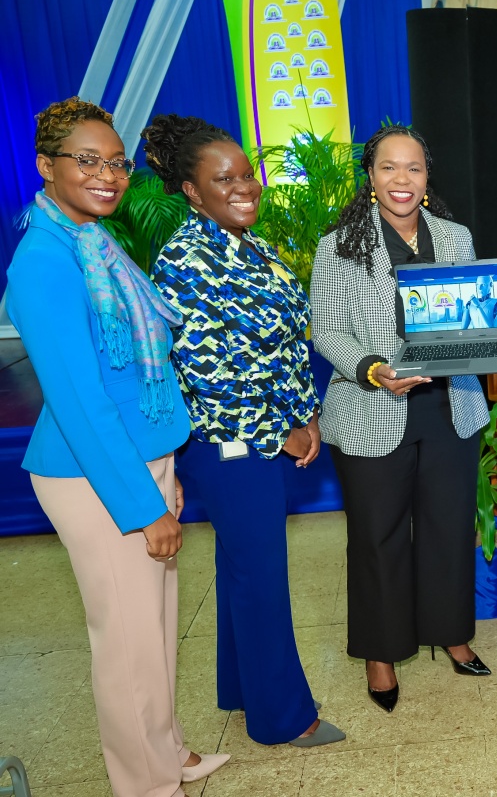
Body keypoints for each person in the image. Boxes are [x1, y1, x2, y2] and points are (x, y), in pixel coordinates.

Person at [5, 97, 228, 796]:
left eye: (117, 162)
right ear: (46, 167)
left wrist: (164, 467)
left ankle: (167, 753)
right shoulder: (44, 263)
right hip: (94, 476)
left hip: (137, 458)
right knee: (127, 643)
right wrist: (142, 504)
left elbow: (138, 371)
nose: (108, 175)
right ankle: (145, 785)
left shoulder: (94, 243)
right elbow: (80, 402)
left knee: (154, 629)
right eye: (87, 161)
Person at [145, 114, 343, 748]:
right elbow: (207, 374)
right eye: (224, 180)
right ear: (191, 191)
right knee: (262, 576)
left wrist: (307, 415)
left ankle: (241, 688)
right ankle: (284, 718)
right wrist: (279, 433)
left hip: (269, 432)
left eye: (247, 175)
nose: (244, 187)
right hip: (230, 444)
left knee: (242, 567)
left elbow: (285, 344)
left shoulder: (249, 243)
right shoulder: (185, 260)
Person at [309, 125, 491, 714]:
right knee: (377, 537)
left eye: (413, 168)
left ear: (427, 176)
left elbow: (475, 315)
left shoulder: (456, 237)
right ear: (370, 176)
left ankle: (452, 633)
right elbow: (327, 330)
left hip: (450, 407)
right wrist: (372, 369)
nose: (402, 180)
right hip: (372, 407)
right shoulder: (339, 245)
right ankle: (381, 654)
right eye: (389, 167)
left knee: (448, 528)